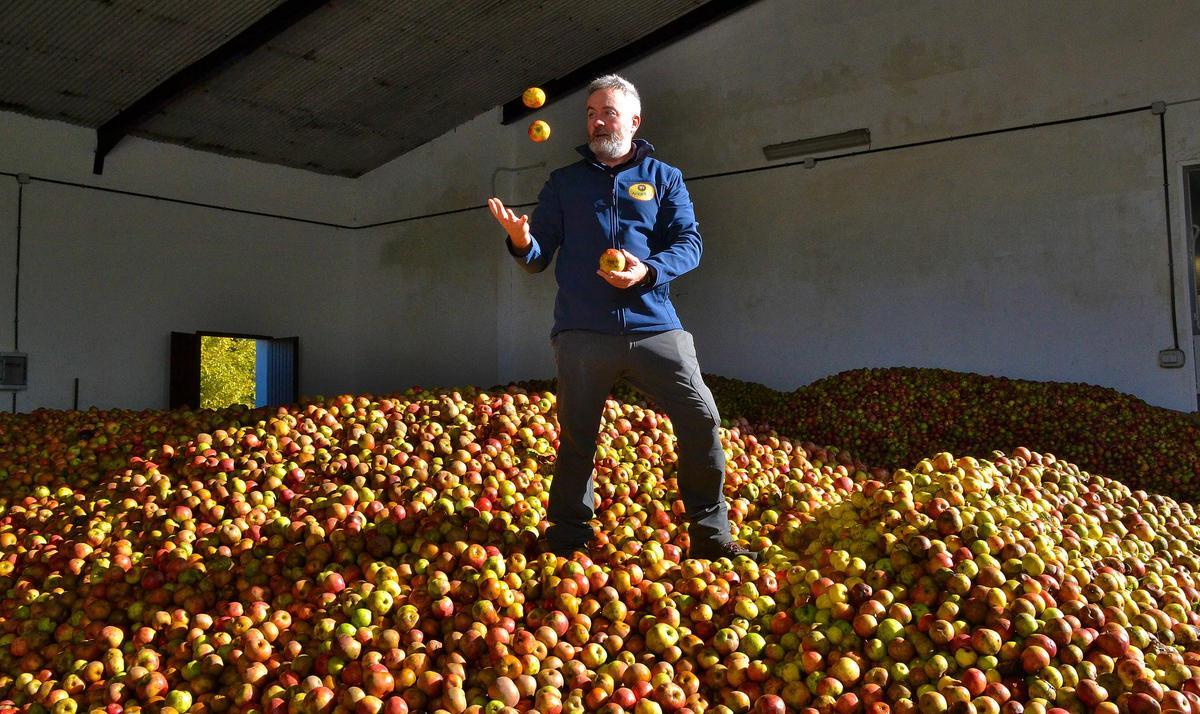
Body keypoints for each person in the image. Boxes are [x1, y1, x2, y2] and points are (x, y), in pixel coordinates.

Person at [487, 74, 758, 562]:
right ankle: (569, 540)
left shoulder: (663, 178)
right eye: (591, 113)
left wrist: (647, 272)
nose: (596, 121)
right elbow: (537, 256)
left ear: (634, 120)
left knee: (701, 418)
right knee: (577, 436)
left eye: (607, 112)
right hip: (582, 333)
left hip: (655, 325)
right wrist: (522, 239)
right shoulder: (564, 183)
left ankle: (712, 539)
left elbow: (689, 244)